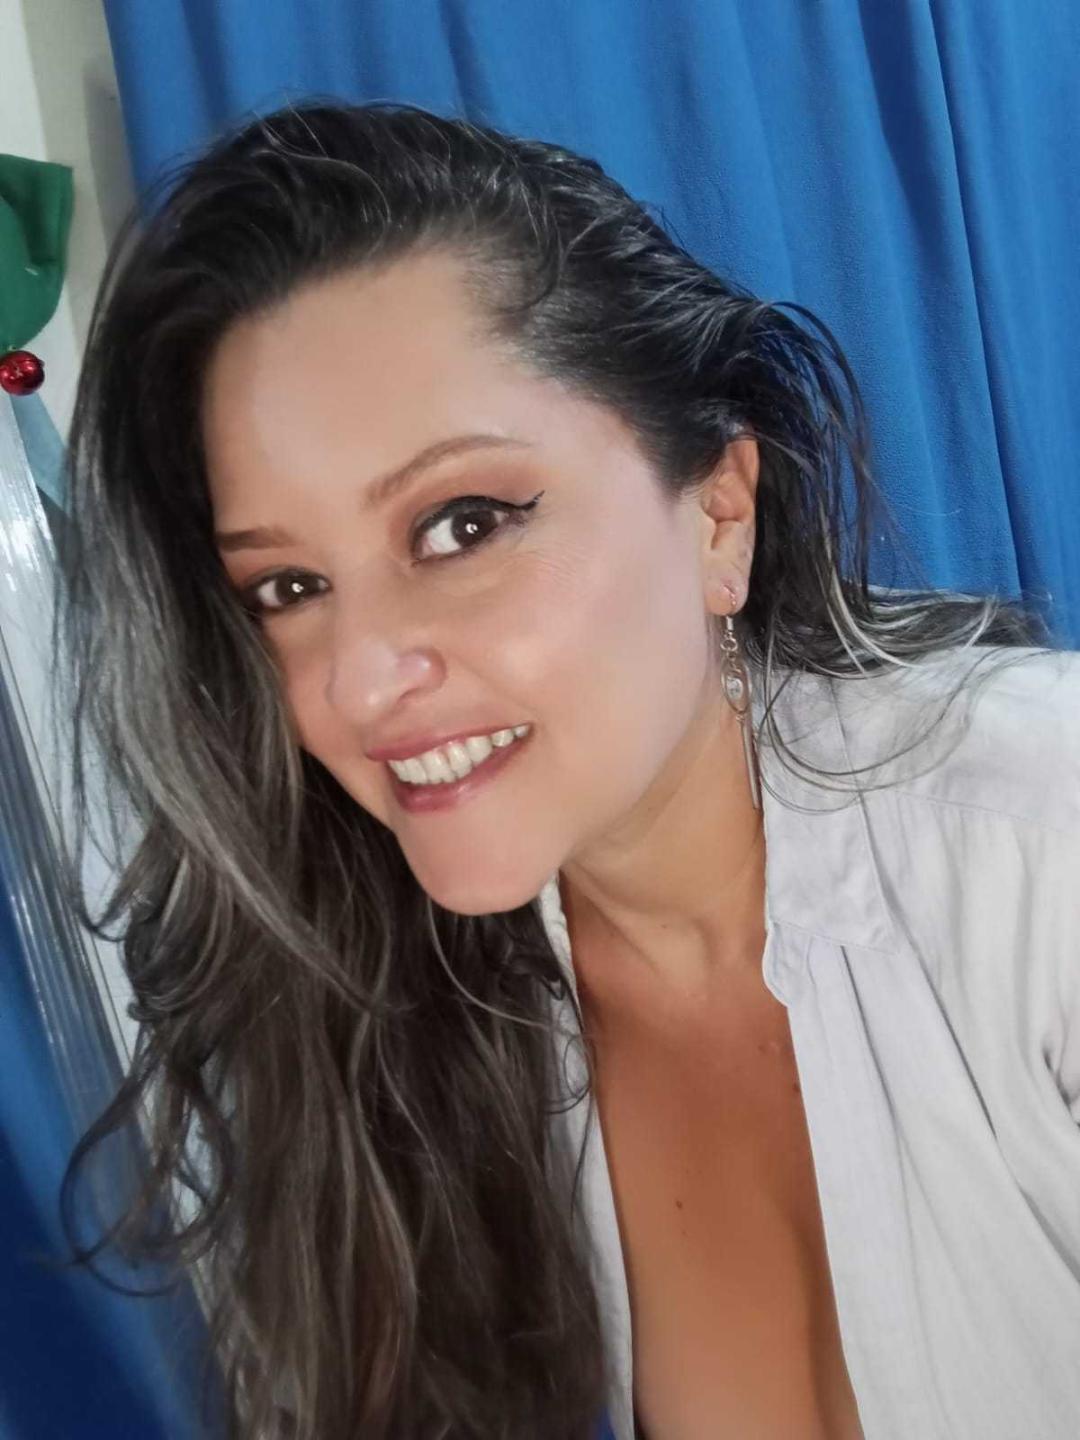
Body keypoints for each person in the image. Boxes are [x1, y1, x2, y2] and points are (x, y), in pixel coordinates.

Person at [53, 100, 1079, 1440]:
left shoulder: (1044, 842)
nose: (356, 681)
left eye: (461, 523)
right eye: (288, 587)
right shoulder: (386, 1018)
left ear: (719, 512)